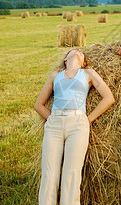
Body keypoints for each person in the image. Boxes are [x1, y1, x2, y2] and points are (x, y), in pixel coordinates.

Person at [34, 49, 115, 205]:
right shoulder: (55, 76)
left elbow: (108, 98)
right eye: (74, 50)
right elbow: (39, 105)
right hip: (54, 126)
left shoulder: (88, 73)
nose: (79, 51)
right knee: (49, 174)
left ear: (83, 61)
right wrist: (51, 119)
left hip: (78, 125)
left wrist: (88, 119)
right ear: (66, 59)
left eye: (81, 52)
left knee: (72, 175)